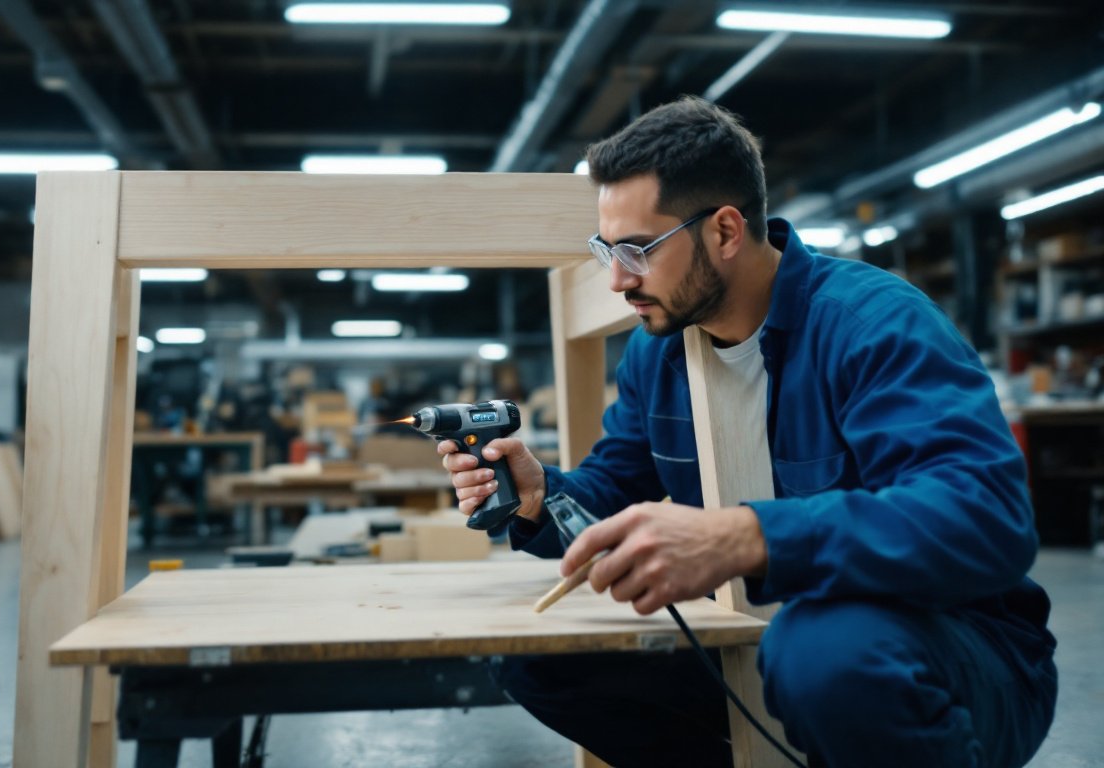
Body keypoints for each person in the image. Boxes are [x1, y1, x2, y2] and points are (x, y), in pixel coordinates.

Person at [438, 96, 1056, 767]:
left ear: (726, 232)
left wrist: (747, 536)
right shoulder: (660, 349)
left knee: (823, 649)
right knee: (543, 659)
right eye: (605, 250)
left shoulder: (873, 325)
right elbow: (611, 492)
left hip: (947, 649)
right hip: (774, 644)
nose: (617, 279)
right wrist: (538, 495)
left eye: (637, 250)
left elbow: (986, 518)